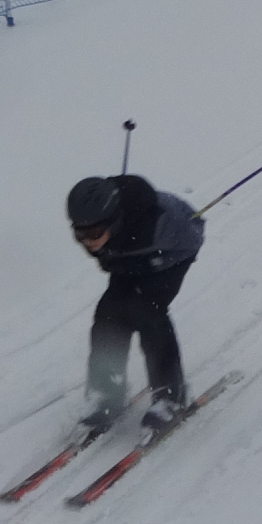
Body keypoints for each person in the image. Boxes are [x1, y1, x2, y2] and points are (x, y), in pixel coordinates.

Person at [66, 174, 204, 431]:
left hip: (170, 256)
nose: (88, 242)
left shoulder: (156, 226)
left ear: (114, 221)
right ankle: (106, 393)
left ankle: (171, 397)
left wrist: (146, 264)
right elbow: (110, 255)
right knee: (108, 315)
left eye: (94, 233)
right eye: (79, 234)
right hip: (131, 257)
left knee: (148, 311)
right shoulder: (107, 231)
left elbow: (192, 235)